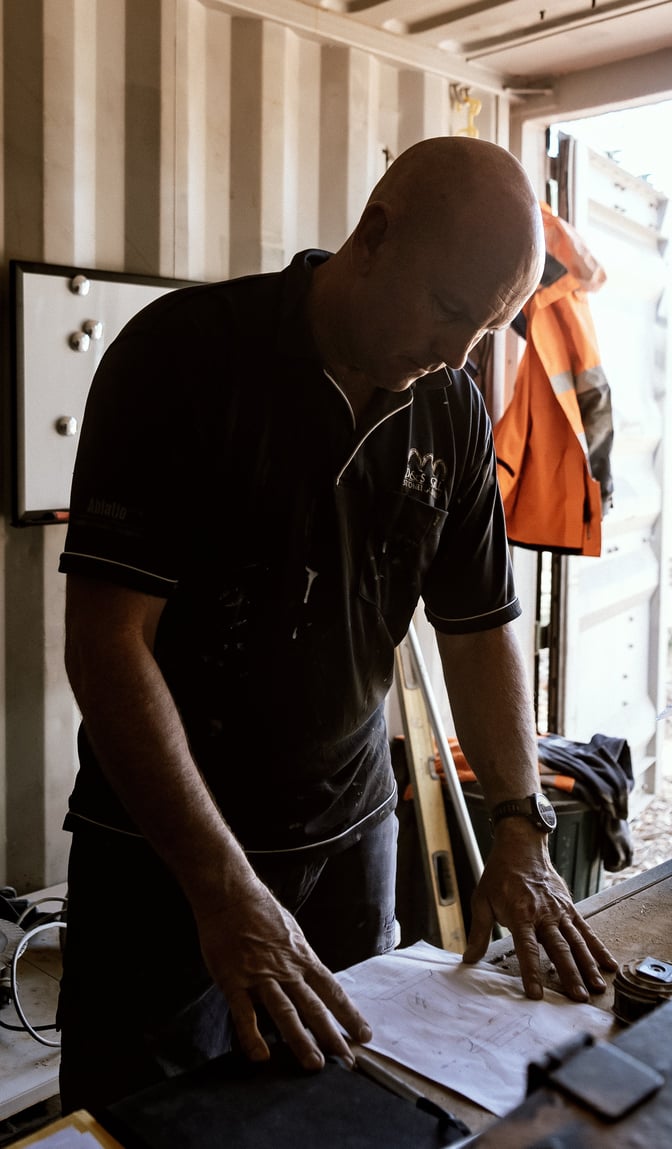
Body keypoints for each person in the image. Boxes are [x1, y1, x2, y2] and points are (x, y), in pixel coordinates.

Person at [57, 135, 617, 1114]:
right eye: (449, 311)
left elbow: (480, 625)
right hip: (166, 857)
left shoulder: (447, 406)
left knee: (339, 1114)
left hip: (349, 843)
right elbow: (108, 646)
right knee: (144, 1122)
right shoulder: (183, 358)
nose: (457, 354)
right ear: (373, 236)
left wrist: (522, 831)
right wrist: (223, 889)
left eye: (486, 329)